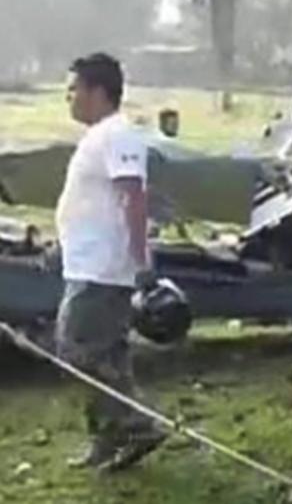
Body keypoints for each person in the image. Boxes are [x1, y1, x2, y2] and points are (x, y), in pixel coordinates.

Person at [54, 53, 166, 472]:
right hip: (86, 264)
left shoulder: (118, 135)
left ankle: (136, 423)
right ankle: (105, 439)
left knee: (76, 348)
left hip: (102, 269)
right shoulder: (99, 136)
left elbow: (132, 198)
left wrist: (141, 260)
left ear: (98, 92)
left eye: (73, 89)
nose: (68, 97)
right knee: (107, 353)